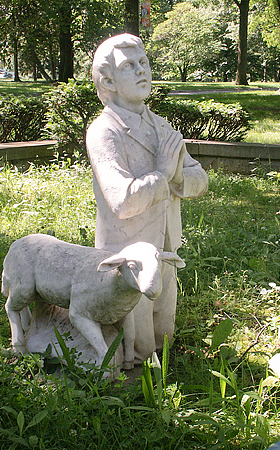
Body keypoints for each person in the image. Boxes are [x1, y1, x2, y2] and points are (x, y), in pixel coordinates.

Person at [87, 33, 208, 364]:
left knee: (162, 334)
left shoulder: (160, 126)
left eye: (143, 62)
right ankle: (131, 373)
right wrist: (162, 174)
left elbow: (200, 179)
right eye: (128, 66)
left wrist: (178, 177)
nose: (141, 70)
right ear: (107, 80)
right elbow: (122, 201)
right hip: (128, 258)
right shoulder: (104, 131)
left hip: (166, 249)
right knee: (134, 344)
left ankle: (160, 369)